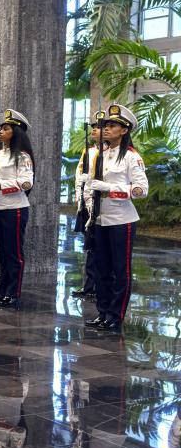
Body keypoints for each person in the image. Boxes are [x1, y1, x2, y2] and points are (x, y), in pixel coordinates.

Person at [85, 104, 148, 332]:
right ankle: (103, 313)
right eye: (106, 125)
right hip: (101, 219)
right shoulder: (100, 154)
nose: (107, 128)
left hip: (123, 220)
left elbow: (141, 189)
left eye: (112, 125)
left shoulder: (131, 157)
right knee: (101, 269)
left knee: (120, 270)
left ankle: (115, 315)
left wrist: (111, 188)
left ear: (124, 130)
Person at [0, 109, 35, 308]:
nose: (1, 132)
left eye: (6, 129)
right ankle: (1, 292)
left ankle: (13, 293)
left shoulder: (22, 156)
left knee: (14, 254)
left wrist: (0, 184)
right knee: (3, 253)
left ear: (16, 132)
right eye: (1, 128)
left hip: (16, 208)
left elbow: (26, 183)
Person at [72, 110, 105, 299]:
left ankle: (99, 286)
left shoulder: (108, 154)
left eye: (98, 128)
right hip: (87, 204)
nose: (94, 130)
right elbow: (79, 178)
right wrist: (80, 202)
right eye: (93, 128)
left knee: (100, 248)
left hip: (101, 205)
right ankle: (89, 285)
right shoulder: (88, 151)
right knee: (90, 246)